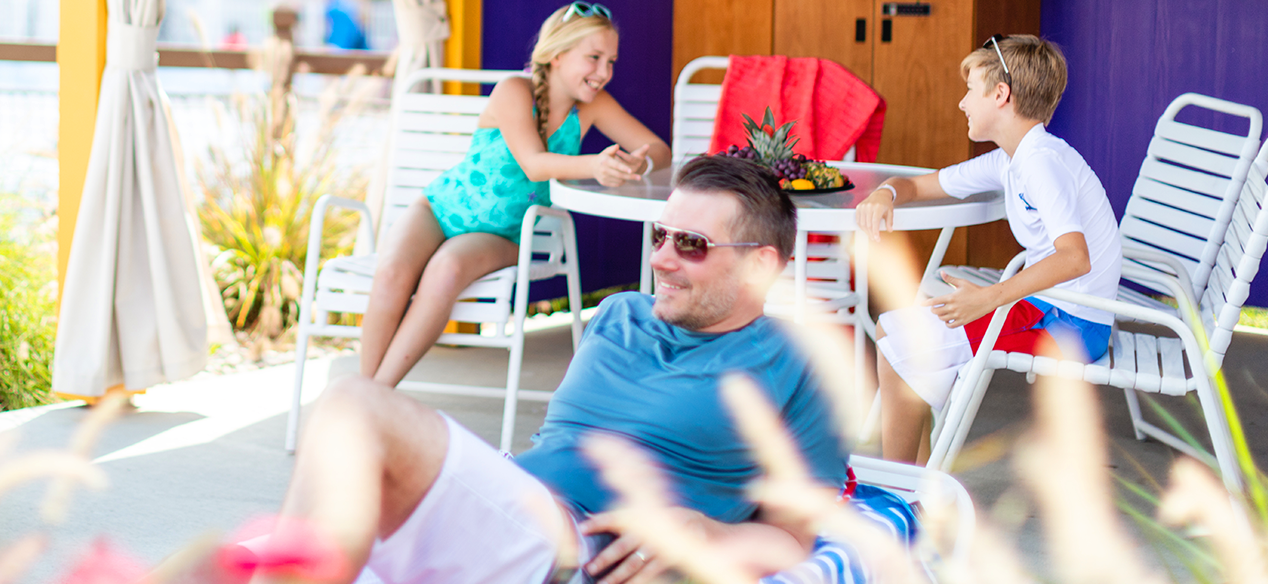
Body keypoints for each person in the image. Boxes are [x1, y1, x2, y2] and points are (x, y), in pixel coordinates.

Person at [256, 155, 849, 584]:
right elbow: (560, 440)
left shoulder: (798, 363)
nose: (662, 258)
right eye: (660, 234)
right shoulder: (619, 314)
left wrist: (708, 533)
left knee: (355, 405)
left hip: (579, 543)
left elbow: (794, 539)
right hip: (512, 509)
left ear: (760, 267)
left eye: (691, 243)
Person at [362, 1, 669, 387]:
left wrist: (636, 165)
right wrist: (594, 165)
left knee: (447, 270)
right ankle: (362, 390)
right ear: (557, 55)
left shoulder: (591, 107)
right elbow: (534, 163)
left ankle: (377, 394)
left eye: (611, 61)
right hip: (438, 208)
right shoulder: (513, 90)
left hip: (503, 235)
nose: (604, 73)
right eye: (593, 58)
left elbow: (659, 150)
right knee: (391, 273)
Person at [855, 35, 1120, 463]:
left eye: (970, 90)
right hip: (1047, 308)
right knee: (891, 329)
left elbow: (1075, 256)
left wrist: (988, 298)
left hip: (1067, 324)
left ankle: (898, 492)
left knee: (901, 347)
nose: (962, 103)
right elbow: (923, 184)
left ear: (1001, 95)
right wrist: (886, 192)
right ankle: (916, 484)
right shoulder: (1013, 158)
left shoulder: (1040, 163)